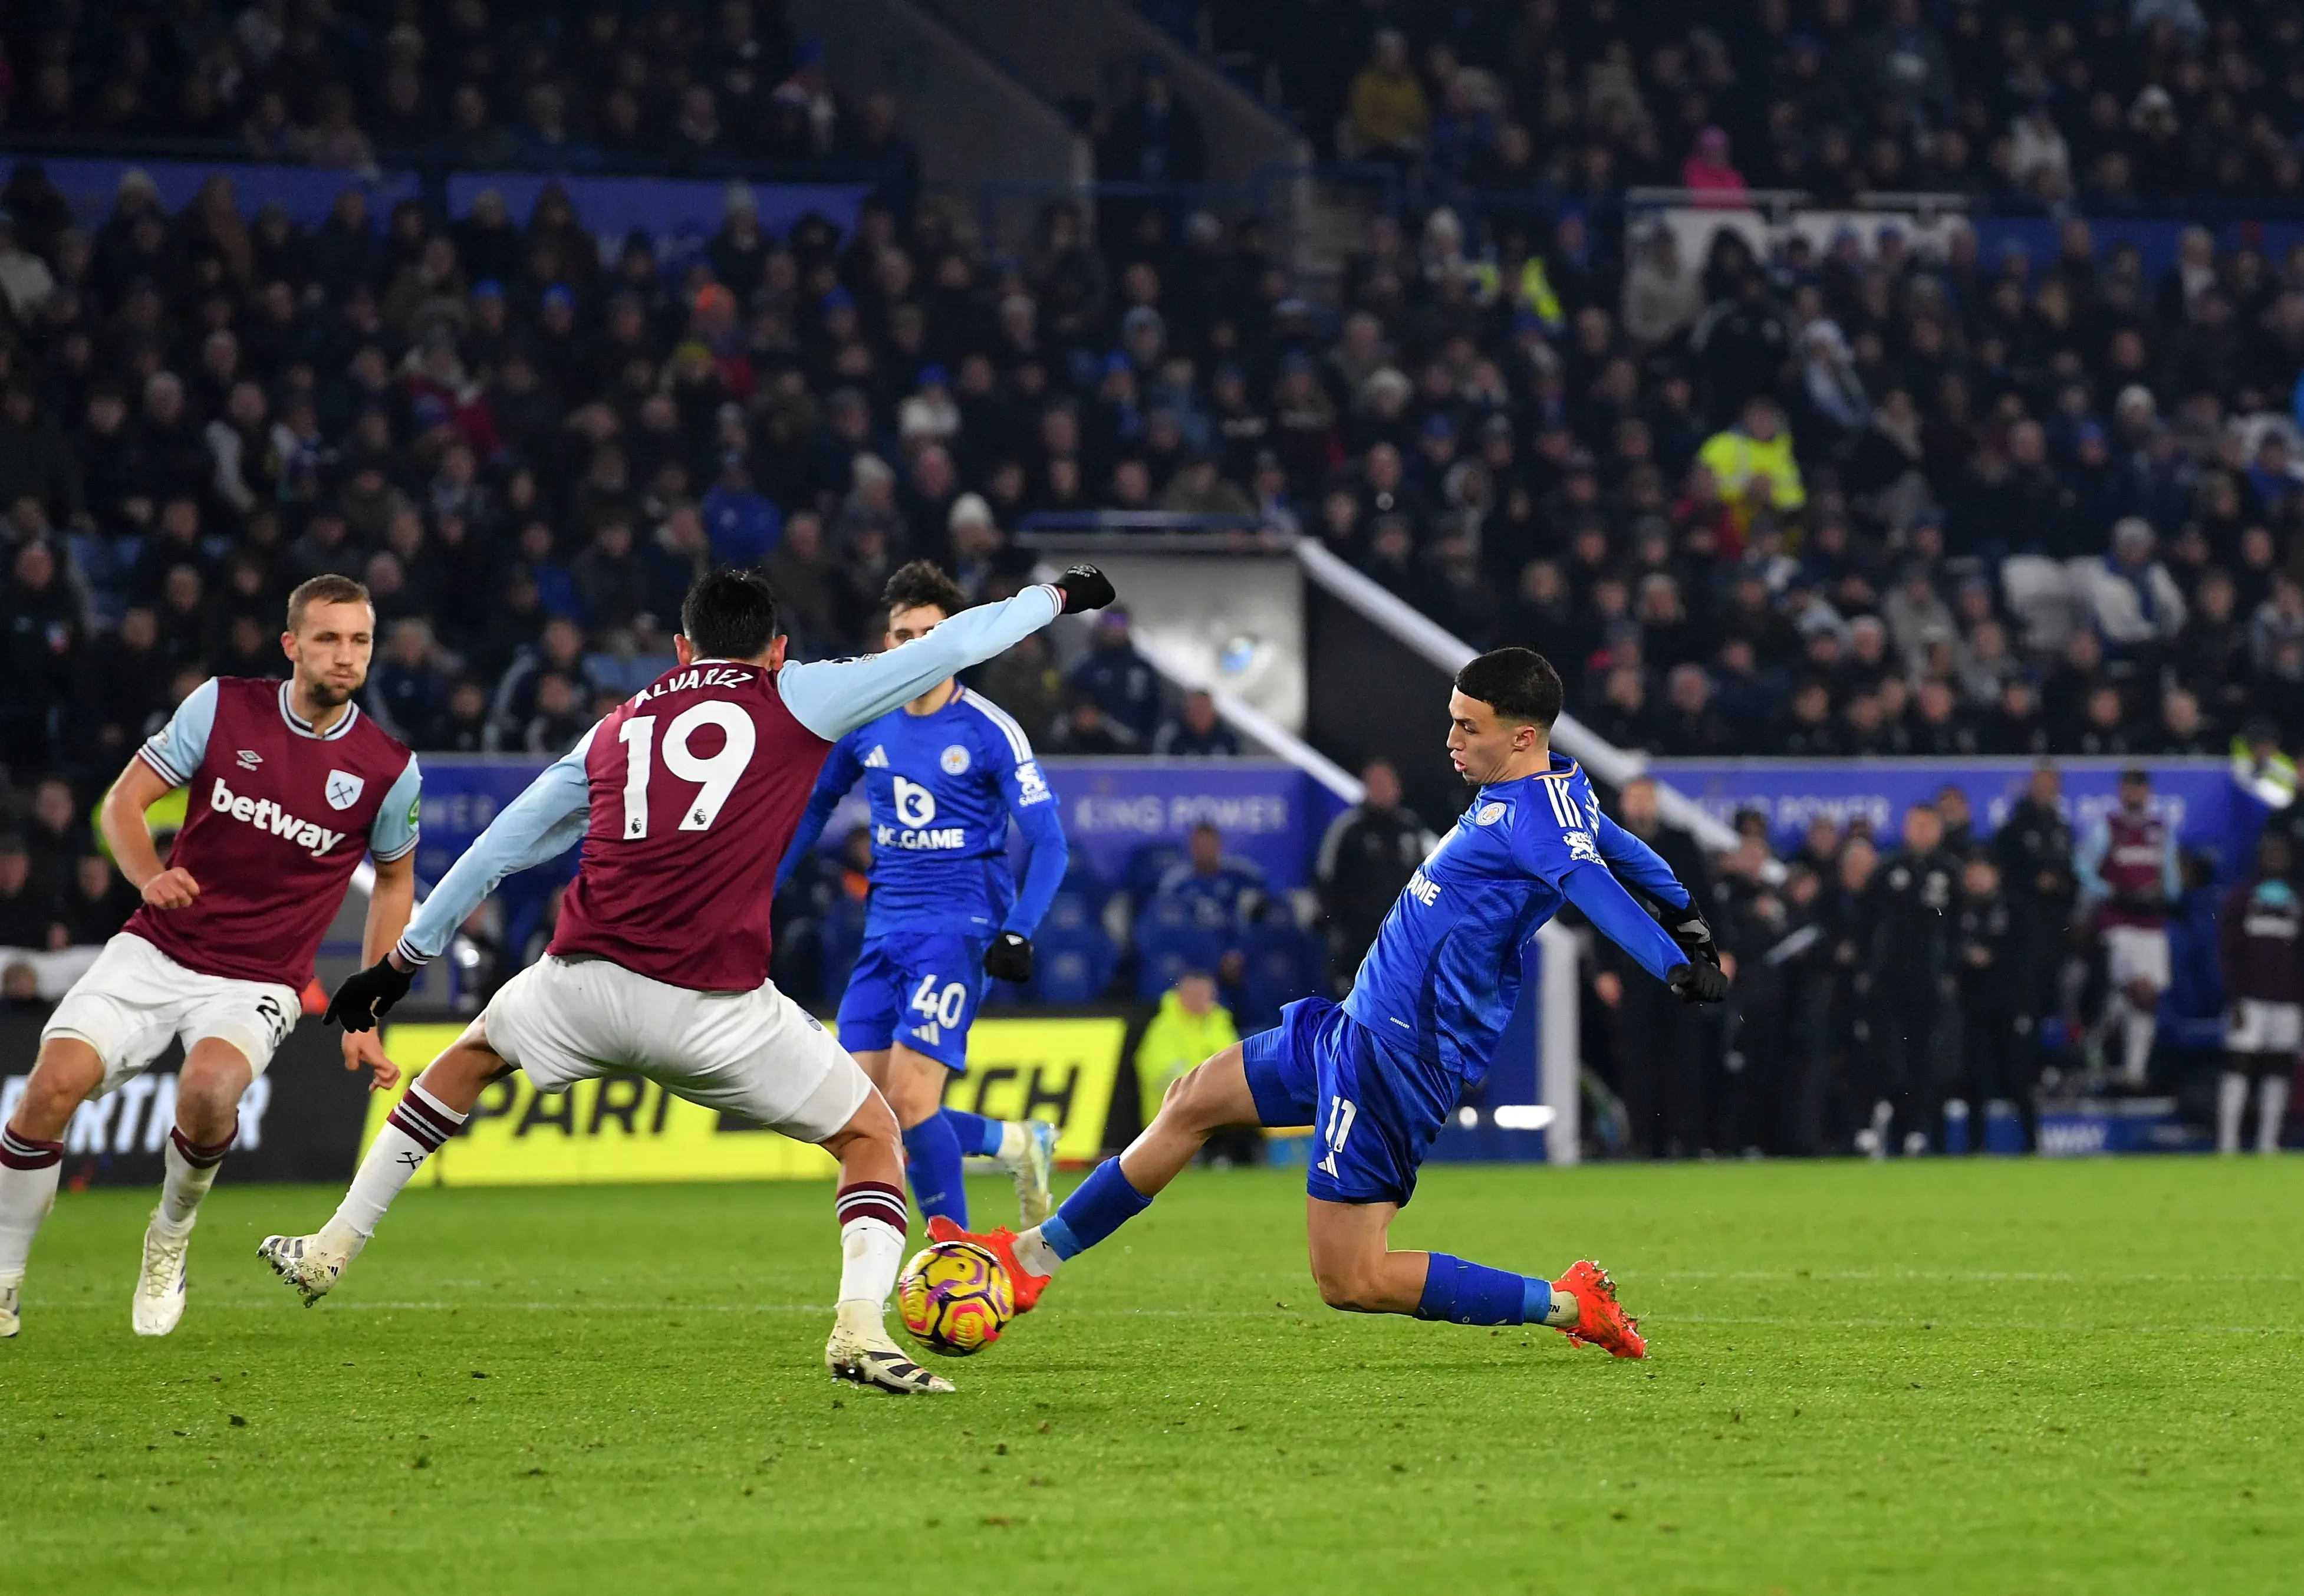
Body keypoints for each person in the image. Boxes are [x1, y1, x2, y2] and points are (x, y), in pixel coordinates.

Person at [258, 565, 1117, 1397]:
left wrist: (399, 964)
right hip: (715, 1007)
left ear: (679, 647)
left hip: (580, 982)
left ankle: (332, 1245)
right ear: (776, 649)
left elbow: (501, 846)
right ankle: (860, 1327)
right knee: (871, 1135)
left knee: (468, 1057)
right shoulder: (799, 693)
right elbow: (952, 644)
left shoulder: (612, 726)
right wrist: (1055, 596)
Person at [930, 649, 1729, 1359]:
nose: (1450, 738)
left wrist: (1670, 961)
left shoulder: (1535, 821)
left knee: (1352, 1276)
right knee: (1193, 1097)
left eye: (1469, 726)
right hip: (1357, 1023)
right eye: (1450, 718)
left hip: (1400, 1056)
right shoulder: (1556, 789)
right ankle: (1033, 1259)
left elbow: (1590, 879)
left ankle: (1568, 1303)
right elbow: (1619, 843)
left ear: (1524, 735)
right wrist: (1687, 915)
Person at [0, 576, 420, 1340]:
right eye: (327, 638)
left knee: (207, 1091)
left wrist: (366, 1005)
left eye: (359, 639)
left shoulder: (389, 767)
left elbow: (395, 882)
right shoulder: (222, 707)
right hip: (158, 948)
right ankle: (3, 1276)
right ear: (292, 645)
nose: (346, 654)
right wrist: (147, 877)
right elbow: (121, 803)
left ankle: (169, 1236)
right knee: (48, 1088)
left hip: (260, 978)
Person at [774, 561, 1065, 1233]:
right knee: (859, 1113)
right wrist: (762, 885)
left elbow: (1049, 842)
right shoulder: (866, 720)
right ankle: (1018, 1144)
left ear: (959, 639)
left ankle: (951, 1255)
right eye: (902, 635)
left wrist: (1019, 928)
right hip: (885, 929)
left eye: (930, 634)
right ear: (885, 643)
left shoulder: (990, 730)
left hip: (959, 925)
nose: (915, 648)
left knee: (909, 1097)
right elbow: (816, 804)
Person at [1861, 803, 1963, 1157]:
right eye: (1916, 825)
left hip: (1929, 985)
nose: (1921, 832)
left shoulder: (1949, 874)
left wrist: (1949, 971)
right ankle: (1884, 1122)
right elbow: (1866, 924)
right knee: (1890, 1059)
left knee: (1925, 1060)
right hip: (1889, 984)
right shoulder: (1888, 871)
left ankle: (1916, 1132)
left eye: (1928, 826)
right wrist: (1868, 970)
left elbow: (1957, 930)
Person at [2075, 768, 2181, 1088]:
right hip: (2118, 921)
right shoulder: (2106, 828)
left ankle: (2134, 1069)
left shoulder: (2160, 830)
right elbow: (2083, 868)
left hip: (2151, 922)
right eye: (2129, 788)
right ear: (2121, 791)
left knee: (2149, 998)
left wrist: (2164, 894)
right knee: (2133, 989)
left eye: (2140, 789)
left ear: (2148, 793)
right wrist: (2115, 892)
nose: (2134, 794)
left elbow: (2171, 875)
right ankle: (2095, 1039)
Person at [2216, 831, 2302, 1156]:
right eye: (2269, 853)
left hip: (2288, 999)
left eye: (2280, 853)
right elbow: (2228, 951)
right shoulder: (2241, 898)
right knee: (2240, 1062)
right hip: (2249, 997)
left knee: (2280, 1064)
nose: (2275, 859)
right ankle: (2228, 1142)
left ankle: (2268, 1142)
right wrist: (2234, 997)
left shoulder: (2297, 899)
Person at [1315, 758, 1437, 983]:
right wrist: (1337, 930)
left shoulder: (1410, 827)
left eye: (1388, 783)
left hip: (1401, 936)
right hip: (1358, 938)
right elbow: (1326, 878)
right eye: (1377, 783)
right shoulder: (1348, 829)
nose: (1383, 789)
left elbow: (1425, 879)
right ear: (1366, 787)